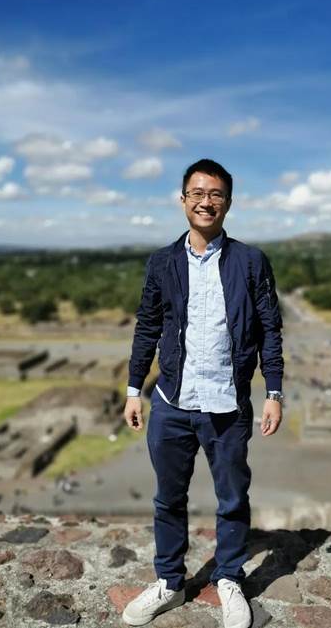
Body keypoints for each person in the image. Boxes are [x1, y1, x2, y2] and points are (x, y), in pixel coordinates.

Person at [122, 158, 284, 628]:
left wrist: (274, 392)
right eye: (197, 193)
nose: (205, 201)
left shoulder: (250, 261)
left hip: (228, 404)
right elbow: (147, 327)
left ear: (228, 203)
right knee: (167, 499)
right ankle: (170, 582)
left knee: (232, 498)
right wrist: (134, 389)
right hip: (171, 402)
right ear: (183, 200)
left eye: (215, 194)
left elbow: (269, 329)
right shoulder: (163, 262)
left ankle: (229, 578)